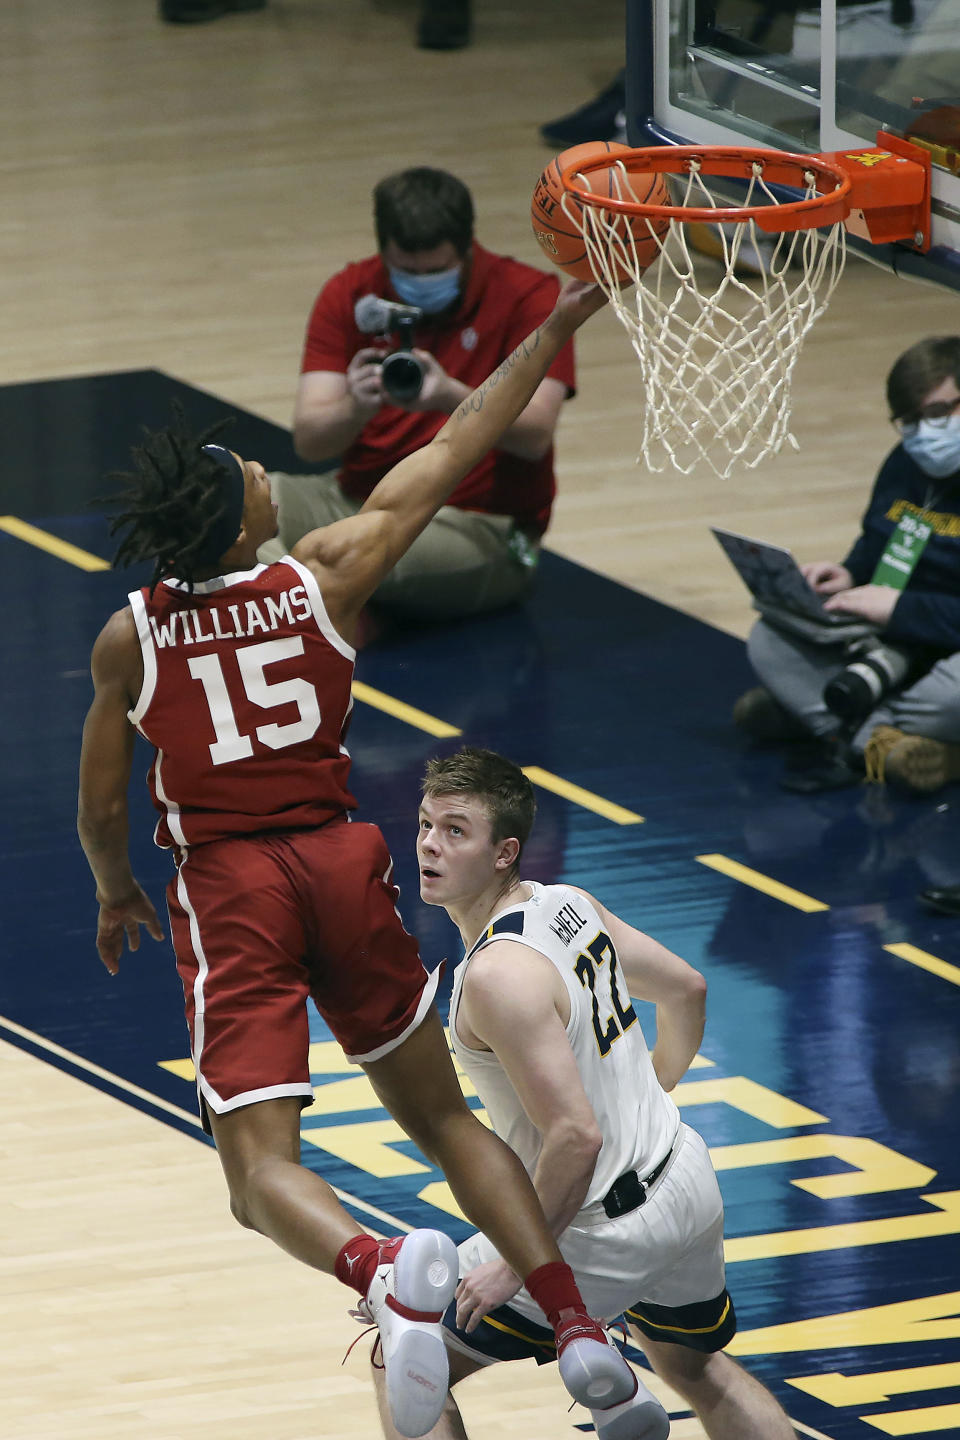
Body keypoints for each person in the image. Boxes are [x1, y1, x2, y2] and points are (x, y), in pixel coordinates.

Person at [76, 280, 643, 1439]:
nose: (259, 474)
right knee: (442, 1118)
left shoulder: (131, 633)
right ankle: (575, 1323)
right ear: (242, 526)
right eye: (248, 478)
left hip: (234, 886)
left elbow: (98, 808)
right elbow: (459, 438)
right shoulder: (326, 571)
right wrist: (553, 329)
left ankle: (384, 1268)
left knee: (253, 1173)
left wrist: (115, 887)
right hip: (343, 863)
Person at [368, 746, 797, 1440]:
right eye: (424, 824)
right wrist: (650, 1090)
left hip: (597, 1228)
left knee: (406, 1355)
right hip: (684, 1178)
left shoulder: (494, 978)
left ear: (504, 851)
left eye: (456, 831)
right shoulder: (568, 904)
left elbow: (577, 1136)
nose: (428, 845)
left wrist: (514, 1266)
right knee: (698, 1373)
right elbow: (687, 990)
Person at [258, 167, 576, 620]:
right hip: (357, 500)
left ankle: (292, 611)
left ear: (467, 249)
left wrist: (449, 395)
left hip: (478, 523)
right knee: (229, 510)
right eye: (407, 271)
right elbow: (310, 442)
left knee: (344, 557)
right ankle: (302, 608)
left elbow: (535, 436)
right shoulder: (350, 292)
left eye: (437, 271)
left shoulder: (529, 296)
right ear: (384, 251)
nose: (422, 281)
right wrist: (354, 407)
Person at [734, 335, 960, 794]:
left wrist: (899, 608)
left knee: (951, 695)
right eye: (909, 421)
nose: (924, 433)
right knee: (769, 637)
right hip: (889, 639)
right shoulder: (904, 463)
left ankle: (833, 720)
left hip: (942, 647)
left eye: (937, 414)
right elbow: (877, 539)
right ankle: (881, 738)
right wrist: (849, 574)